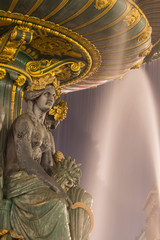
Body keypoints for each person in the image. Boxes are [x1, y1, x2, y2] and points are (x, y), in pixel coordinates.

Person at [4, 77, 81, 240]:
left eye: (53, 95)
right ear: (35, 95)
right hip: (18, 180)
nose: (51, 98)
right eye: (47, 94)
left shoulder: (46, 133)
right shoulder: (24, 122)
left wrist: (66, 176)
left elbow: (47, 166)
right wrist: (56, 187)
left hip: (35, 181)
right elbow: (25, 161)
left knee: (77, 201)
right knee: (57, 203)